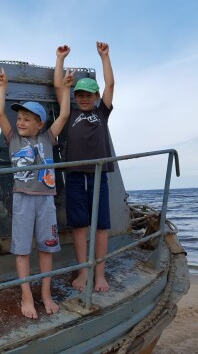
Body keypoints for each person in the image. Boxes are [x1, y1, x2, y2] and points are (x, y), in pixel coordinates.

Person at [0, 66, 74, 318]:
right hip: (22, 199)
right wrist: (3, 87)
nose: (20, 122)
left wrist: (67, 89)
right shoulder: (13, 139)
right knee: (22, 251)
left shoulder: (48, 138)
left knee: (47, 248)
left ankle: (46, 294)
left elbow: (64, 114)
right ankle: (26, 296)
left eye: (27, 119)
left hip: (46, 201)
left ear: (40, 124)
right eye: (19, 118)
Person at [54, 42, 115, 293]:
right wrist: (60, 59)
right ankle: (83, 272)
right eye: (80, 95)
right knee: (79, 226)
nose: (84, 99)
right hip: (76, 176)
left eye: (88, 95)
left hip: (99, 175)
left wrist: (104, 57)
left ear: (96, 97)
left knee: (100, 226)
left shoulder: (102, 113)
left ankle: (99, 274)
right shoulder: (69, 114)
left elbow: (110, 84)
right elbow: (59, 86)